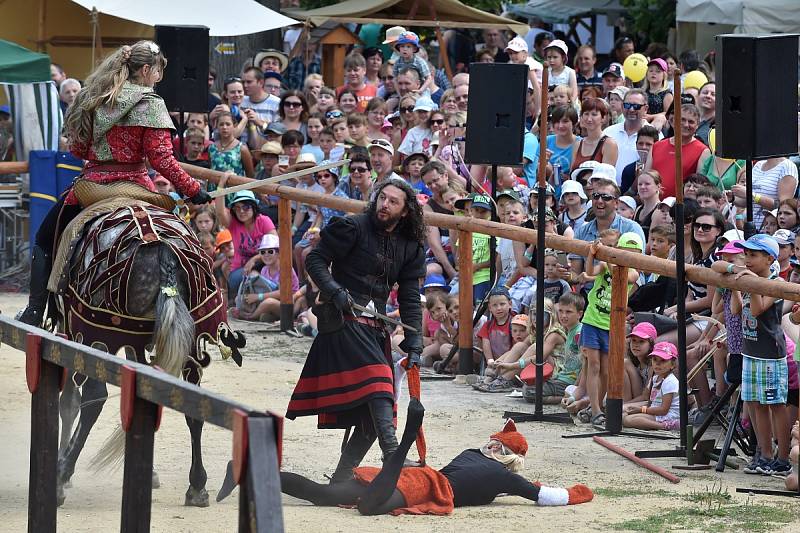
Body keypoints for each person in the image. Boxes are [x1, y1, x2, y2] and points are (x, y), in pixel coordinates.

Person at [18, 41, 211, 327]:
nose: (159, 78)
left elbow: (78, 149)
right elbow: (162, 161)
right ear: (146, 70)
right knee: (180, 236)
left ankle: (35, 311)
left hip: (92, 189)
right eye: (158, 72)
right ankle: (205, 305)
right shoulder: (151, 103)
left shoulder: (94, 97)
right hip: (137, 186)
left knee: (45, 239)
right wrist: (193, 189)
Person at [285, 178, 427, 484]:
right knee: (380, 383)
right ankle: (393, 456)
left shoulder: (410, 246)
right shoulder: (353, 227)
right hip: (341, 321)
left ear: (405, 211)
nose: (384, 205)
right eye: (382, 198)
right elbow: (315, 259)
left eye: (393, 202)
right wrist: (335, 291)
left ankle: (340, 479)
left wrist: (415, 341)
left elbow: (410, 297)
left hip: (375, 329)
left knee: (373, 410)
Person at [731, 235, 793, 476]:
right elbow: (737, 310)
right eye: (746, 254)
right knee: (756, 404)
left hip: (770, 354)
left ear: (770, 258)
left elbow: (757, 310)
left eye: (753, 255)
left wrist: (752, 283)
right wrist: (737, 286)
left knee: (775, 405)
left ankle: (783, 458)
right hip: (751, 351)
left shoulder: (776, 283)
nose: (747, 259)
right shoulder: (749, 279)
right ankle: (765, 454)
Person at [580, 232, 643, 427]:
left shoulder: (634, 272)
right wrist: (593, 253)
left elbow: (624, 274)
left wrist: (609, 257)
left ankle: (595, 405)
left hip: (611, 324)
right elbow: (590, 271)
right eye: (626, 251)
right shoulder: (605, 265)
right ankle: (596, 409)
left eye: (634, 253)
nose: (629, 256)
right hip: (592, 320)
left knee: (607, 370)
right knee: (594, 365)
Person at [215, 177, 277, 296]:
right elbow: (219, 212)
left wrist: (254, 260)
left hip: (265, 263)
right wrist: (221, 183)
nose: (241, 211)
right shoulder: (233, 223)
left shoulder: (264, 221)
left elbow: (275, 246)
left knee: (254, 276)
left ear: (253, 207)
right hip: (241, 268)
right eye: (237, 208)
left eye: (246, 207)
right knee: (237, 279)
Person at [645, 103, 709, 199]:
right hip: (654, 204)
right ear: (674, 121)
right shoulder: (656, 146)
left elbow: (699, 186)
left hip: (681, 208)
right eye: (682, 120)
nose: (686, 124)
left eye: (691, 122)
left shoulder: (703, 151)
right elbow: (646, 177)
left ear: (697, 126)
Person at [622, 342, 681, 430]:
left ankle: (665, 426)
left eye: (663, 360)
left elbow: (664, 410)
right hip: (655, 411)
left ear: (672, 365)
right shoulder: (655, 378)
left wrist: (641, 410)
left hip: (668, 415)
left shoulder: (670, 381)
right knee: (623, 414)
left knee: (628, 420)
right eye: (655, 359)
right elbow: (651, 401)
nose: (658, 364)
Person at [602, 89, 651, 184]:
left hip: (637, 192)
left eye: (636, 106)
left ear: (645, 109)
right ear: (622, 106)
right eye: (627, 105)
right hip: (608, 190)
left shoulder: (653, 134)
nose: (631, 110)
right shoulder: (608, 132)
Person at [571, 98, 618, 174]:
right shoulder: (578, 144)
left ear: (603, 118)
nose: (589, 119)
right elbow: (572, 172)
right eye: (586, 114)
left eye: (594, 114)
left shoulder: (609, 144)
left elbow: (607, 177)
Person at [642, 58, 673, 131]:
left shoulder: (666, 93)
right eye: (651, 70)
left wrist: (651, 117)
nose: (653, 73)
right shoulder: (643, 92)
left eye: (658, 71)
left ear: (664, 75)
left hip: (660, 128)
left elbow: (669, 114)